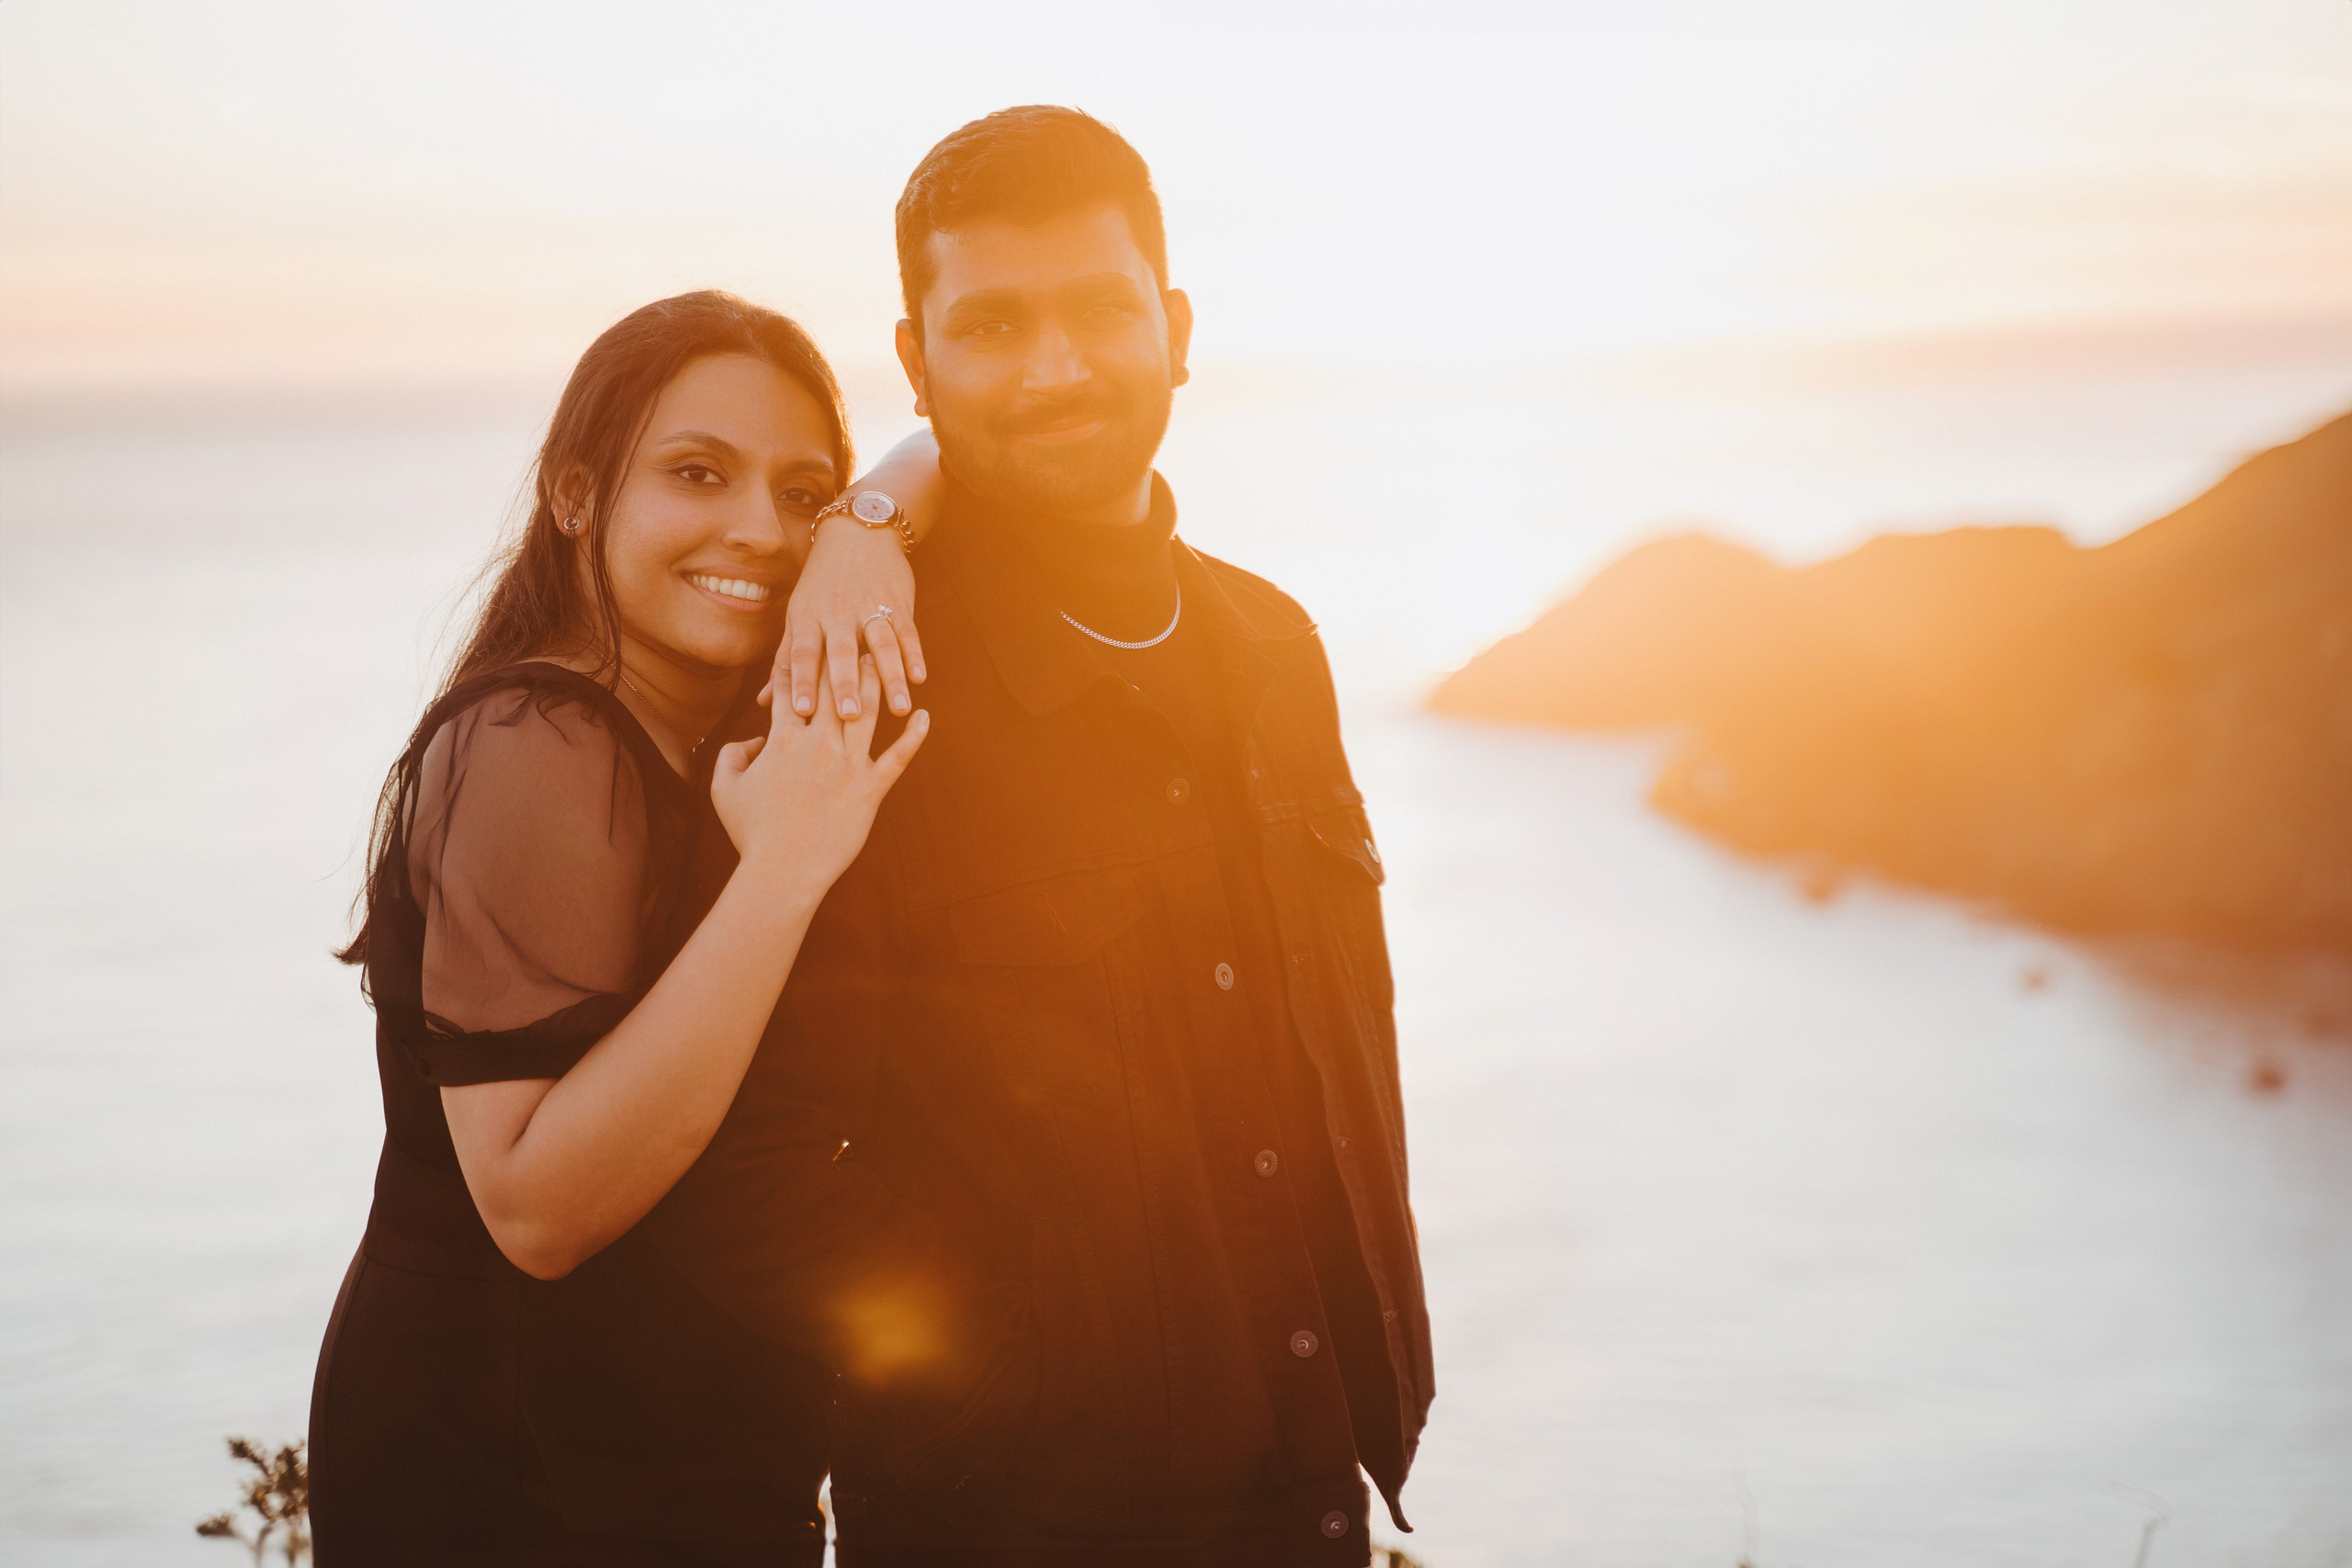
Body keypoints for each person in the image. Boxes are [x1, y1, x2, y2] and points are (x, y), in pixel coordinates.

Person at [653, 107, 1431, 1565]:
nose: (1057, 368)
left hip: (1311, 1493)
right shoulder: (864, 681)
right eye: (993, 326)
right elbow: (746, 1165)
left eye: (1099, 311)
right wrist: (1006, 1387)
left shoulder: (1277, 646)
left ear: (1176, 326)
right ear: (918, 365)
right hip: (1022, 1525)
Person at [308, 288, 945, 1566]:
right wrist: (789, 868)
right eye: (697, 474)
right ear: (576, 494)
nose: (759, 532)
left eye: (800, 491)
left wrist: (870, 522)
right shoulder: (537, 743)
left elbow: (948, 445)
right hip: (506, 1471)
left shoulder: (683, 729)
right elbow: (536, 1207)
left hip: (665, 1453)